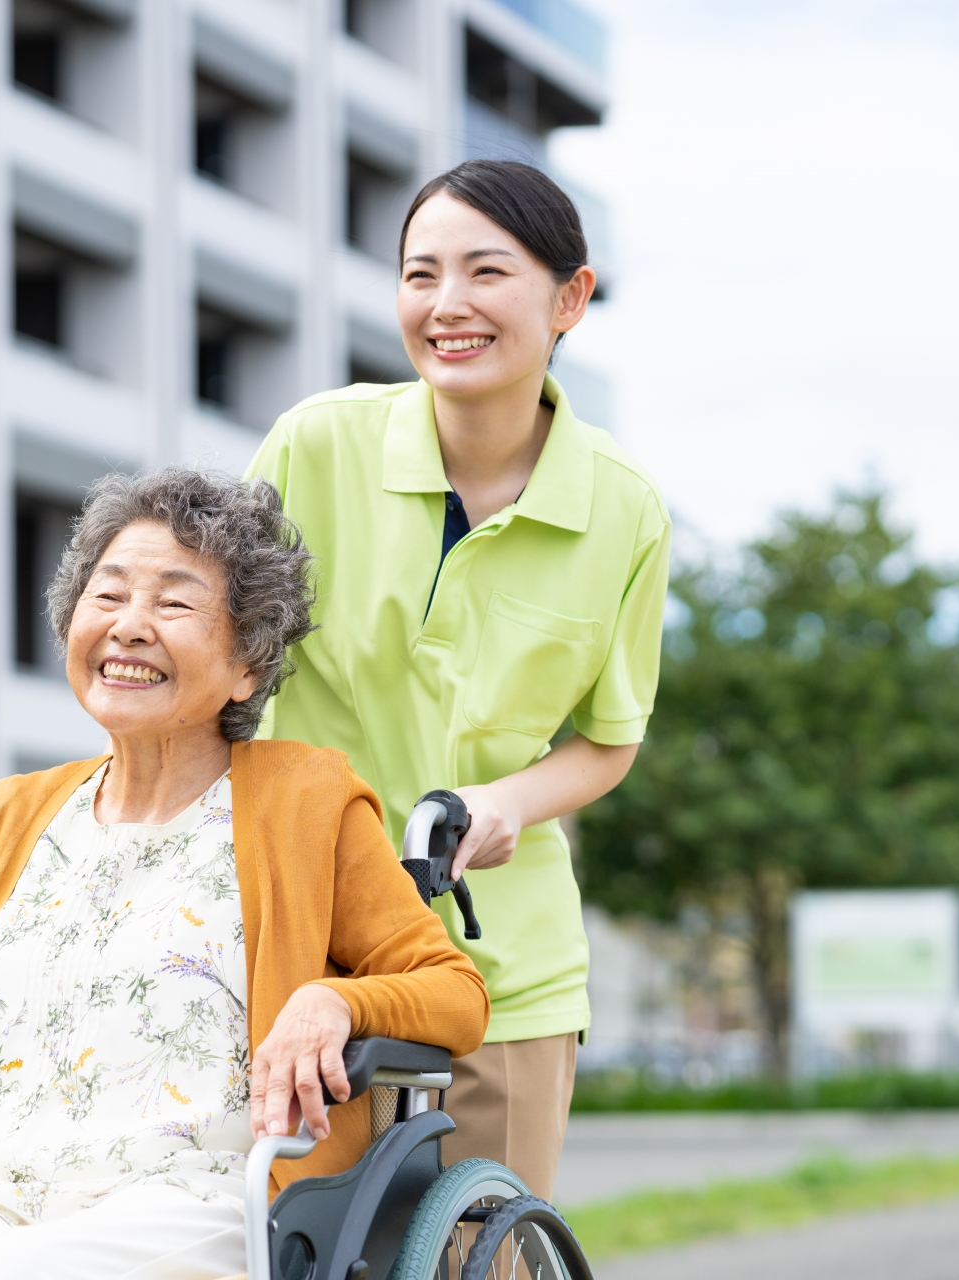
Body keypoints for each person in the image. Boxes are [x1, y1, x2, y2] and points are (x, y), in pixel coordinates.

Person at [0, 470, 488, 1280]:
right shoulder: (4, 816)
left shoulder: (306, 801)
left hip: (190, 1202)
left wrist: (336, 1002)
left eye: (174, 604)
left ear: (247, 664)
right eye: (108, 596)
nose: (129, 626)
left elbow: (453, 991)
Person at [246, 159, 671, 1198]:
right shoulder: (315, 446)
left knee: (481, 1251)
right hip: (306, 940)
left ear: (569, 297)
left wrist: (507, 801)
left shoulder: (624, 509)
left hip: (505, 968)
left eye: (487, 271)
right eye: (420, 274)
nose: (447, 304)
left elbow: (609, 738)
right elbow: (221, 661)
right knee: (282, 1244)